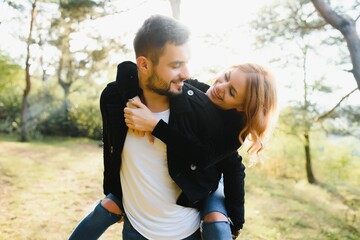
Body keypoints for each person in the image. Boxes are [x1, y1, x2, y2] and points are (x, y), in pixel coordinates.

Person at [69, 14, 231, 240]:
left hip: (188, 231)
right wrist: (115, 194)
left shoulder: (199, 104)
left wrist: (226, 217)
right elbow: (111, 153)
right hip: (136, 230)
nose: (186, 73)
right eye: (176, 65)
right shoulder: (113, 99)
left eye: (186, 63)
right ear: (144, 64)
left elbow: (225, 161)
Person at [123, 63, 278, 239]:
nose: (219, 88)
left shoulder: (233, 130)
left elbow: (202, 157)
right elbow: (128, 69)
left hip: (205, 183)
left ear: (242, 107)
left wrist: (154, 125)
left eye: (232, 92)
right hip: (148, 200)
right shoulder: (197, 90)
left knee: (216, 213)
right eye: (226, 77)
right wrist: (135, 102)